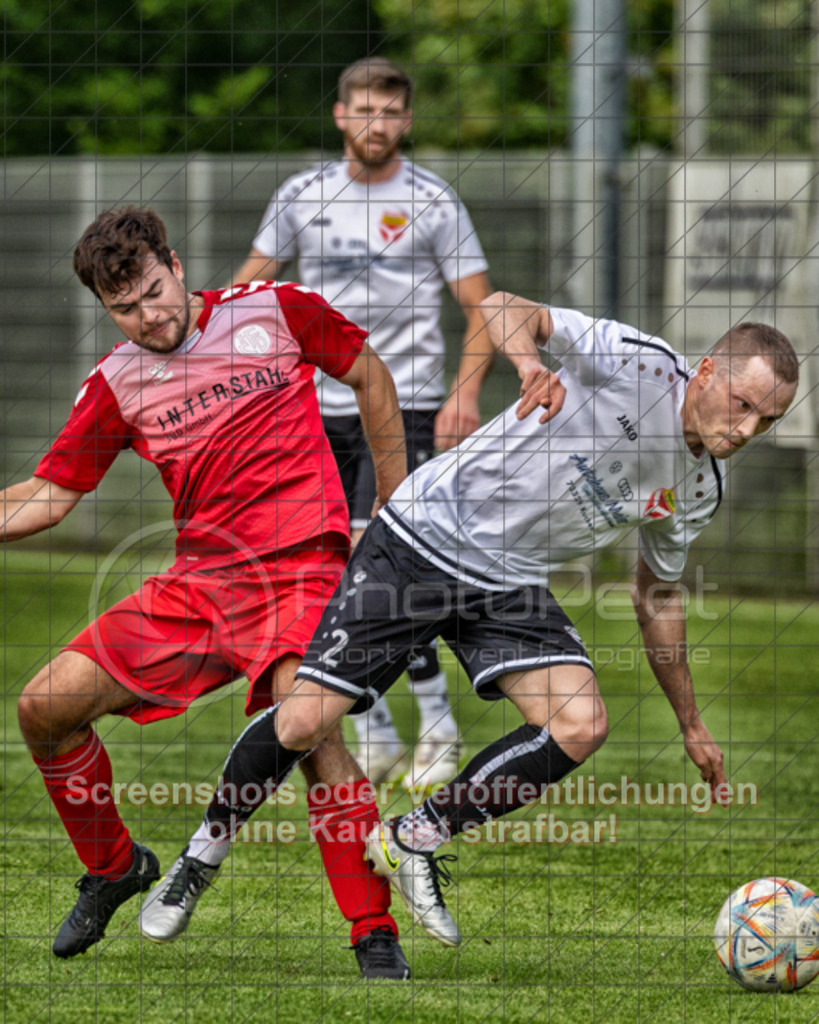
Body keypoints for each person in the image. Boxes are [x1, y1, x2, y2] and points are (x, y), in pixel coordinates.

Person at [143, 291, 798, 949]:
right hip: (422, 537)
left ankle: (412, 838)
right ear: (707, 371)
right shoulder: (639, 365)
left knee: (580, 723)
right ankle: (199, 859)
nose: (744, 431)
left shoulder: (700, 489)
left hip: (506, 581)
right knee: (304, 721)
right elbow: (501, 304)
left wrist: (689, 722)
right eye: (742, 406)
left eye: (764, 422)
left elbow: (655, 596)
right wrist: (525, 363)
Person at [7, 206, 412, 979]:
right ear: (104, 308)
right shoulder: (116, 383)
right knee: (43, 707)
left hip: (304, 569)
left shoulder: (276, 310)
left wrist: (388, 515)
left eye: (155, 291)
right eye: (124, 308)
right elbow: (48, 495)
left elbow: (369, 372)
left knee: (307, 722)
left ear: (178, 266)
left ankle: (372, 930)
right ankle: (114, 868)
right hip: (201, 584)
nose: (148, 316)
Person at [232, 56, 494, 791]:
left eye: (390, 111)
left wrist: (463, 394)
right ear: (341, 115)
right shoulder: (302, 194)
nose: (376, 123)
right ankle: (376, 734)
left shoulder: (432, 200)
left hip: (404, 402)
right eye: (363, 110)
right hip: (315, 408)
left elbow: (480, 307)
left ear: (406, 120)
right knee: (330, 569)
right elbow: (250, 285)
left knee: (390, 559)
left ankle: (437, 727)